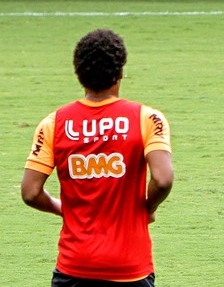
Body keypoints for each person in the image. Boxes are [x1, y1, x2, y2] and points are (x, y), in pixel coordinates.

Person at [21, 29, 174, 286]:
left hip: (74, 267)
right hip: (130, 268)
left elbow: (30, 192)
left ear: (78, 73)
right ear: (120, 72)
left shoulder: (53, 123)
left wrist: (62, 208)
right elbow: (163, 179)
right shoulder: (148, 119)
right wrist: (147, 208)